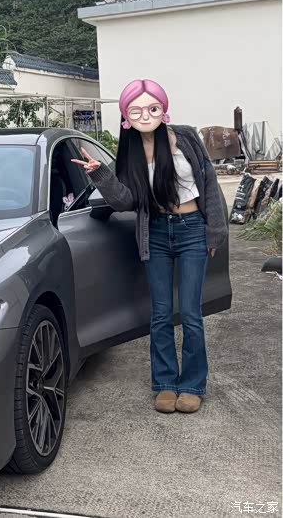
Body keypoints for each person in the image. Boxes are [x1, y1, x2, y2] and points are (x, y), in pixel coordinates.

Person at [71, 78, 229, 414]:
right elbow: (125, 201)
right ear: (126, 116)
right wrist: (101, 175)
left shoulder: (185, 137)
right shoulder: (129, 152)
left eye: (152, 108)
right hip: (155, 233)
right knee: (160, 314)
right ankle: (165, 383)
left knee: (190, 312)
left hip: (191, 229)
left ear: (163, 109)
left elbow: (209, 183)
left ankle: (192, 385)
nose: (145, 115)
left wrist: (215, 231)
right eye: (136, 110)